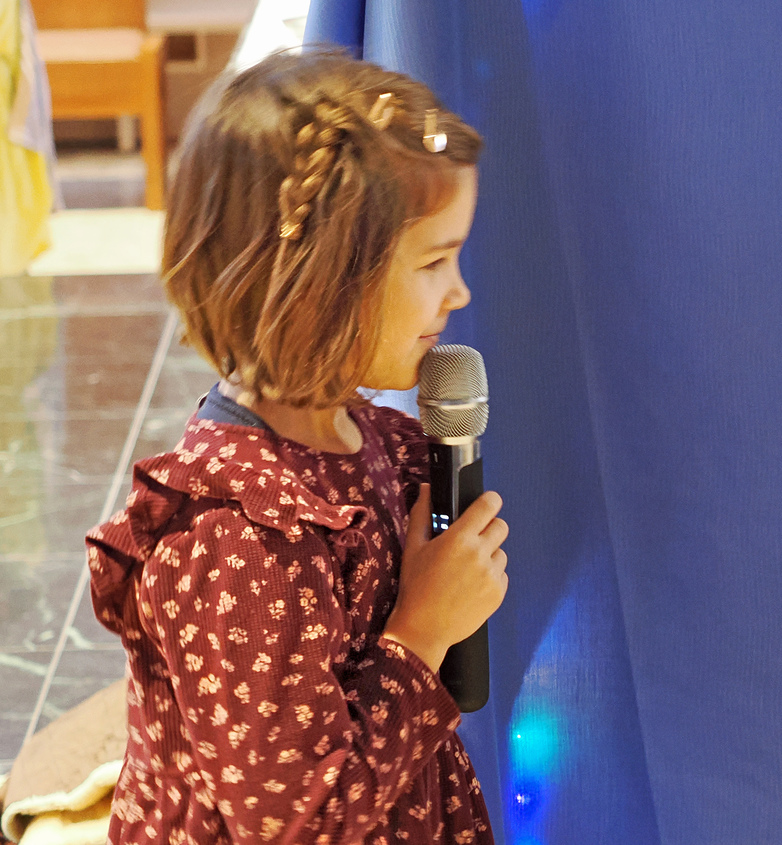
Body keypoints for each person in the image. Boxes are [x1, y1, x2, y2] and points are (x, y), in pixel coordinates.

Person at [84, 51, 507, 844]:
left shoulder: (373, 440)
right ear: (321, 282)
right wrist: (421, 631)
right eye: (433, 261)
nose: (460, 291)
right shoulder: (237, 534)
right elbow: (297, 821)